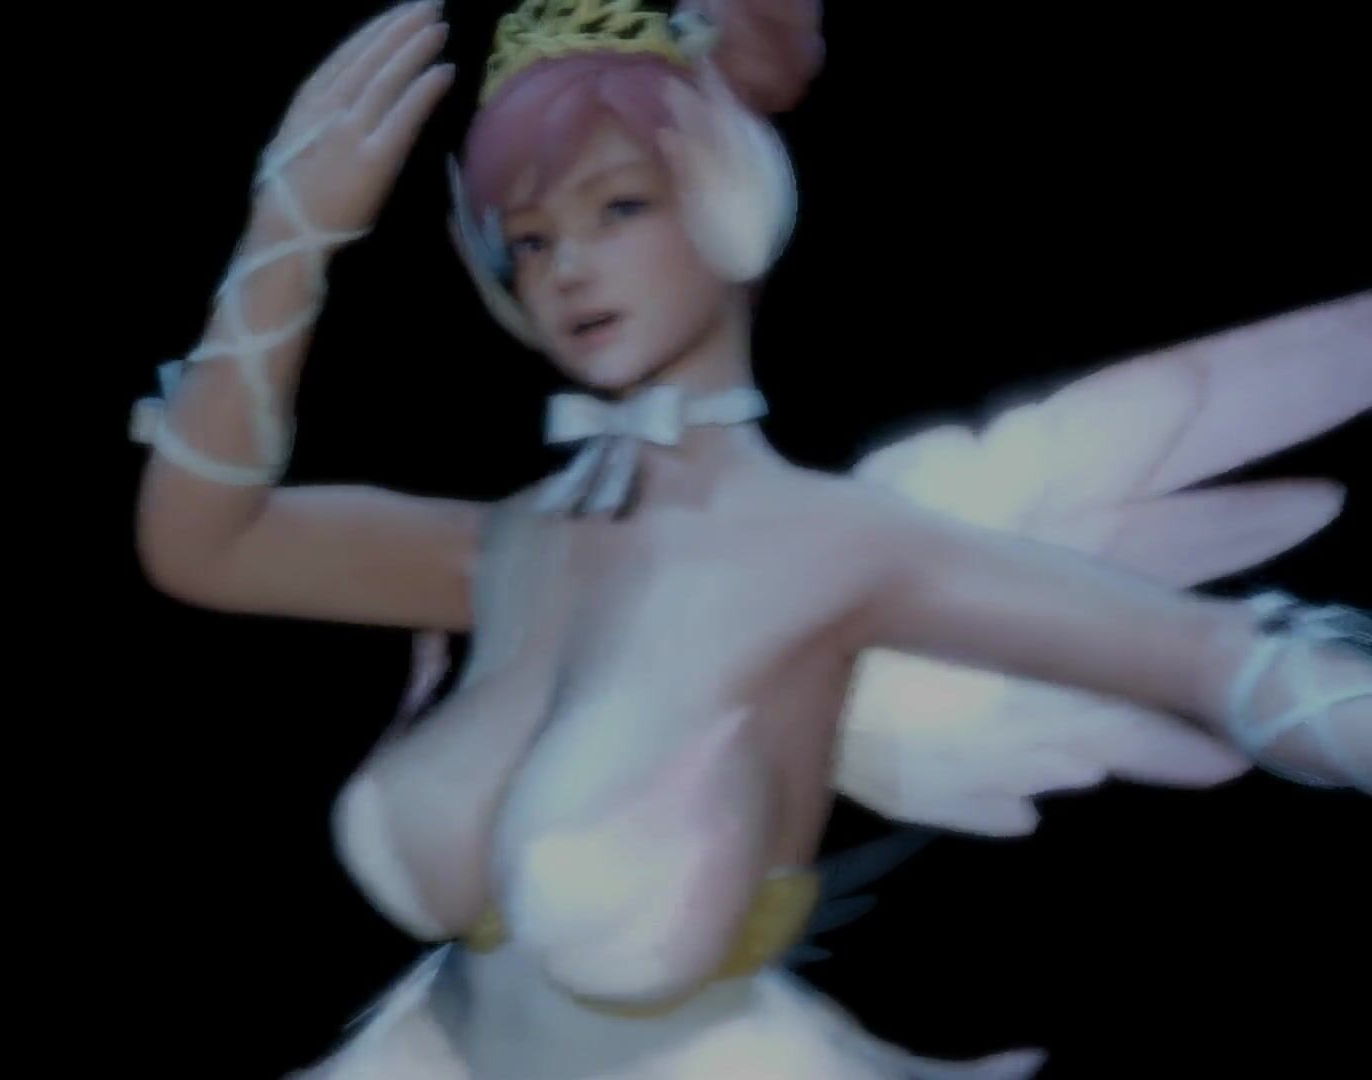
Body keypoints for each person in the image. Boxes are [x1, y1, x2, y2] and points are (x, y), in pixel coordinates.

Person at [131, 2, 1372, 1074]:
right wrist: (288, 236)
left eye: (620, 207)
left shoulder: (835, 546)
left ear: (728, 203)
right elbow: (205, 546)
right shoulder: (508, 550)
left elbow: (1221, 662)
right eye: (533, 239)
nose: (568, 271)